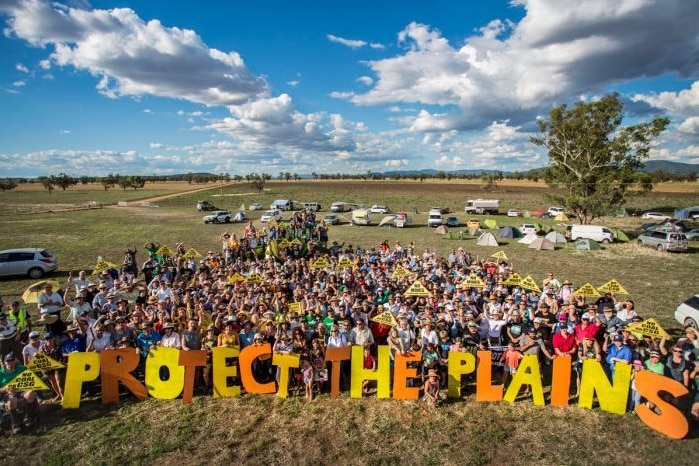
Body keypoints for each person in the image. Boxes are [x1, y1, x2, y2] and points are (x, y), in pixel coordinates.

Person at [0, 353, 39, 432]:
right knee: (12, 400)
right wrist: (6, 389)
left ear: (15, 361)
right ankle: (16, 424)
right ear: (4, 362)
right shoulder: (1, 373)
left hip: (22, 390)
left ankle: (28, 418)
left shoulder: (22, 368)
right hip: (8, 393)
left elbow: (32, 377)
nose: (10, 362)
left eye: (12, 360)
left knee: (30, 393)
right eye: (8, 360)